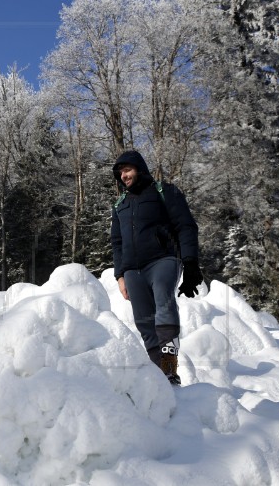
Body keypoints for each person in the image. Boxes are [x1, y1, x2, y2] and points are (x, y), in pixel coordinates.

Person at [110, 151, 203, 385]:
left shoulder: (165, 192)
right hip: (133, 270)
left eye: (127, 170)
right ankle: (160, 374)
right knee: (144, 322)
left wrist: (190, 262)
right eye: (120, 172)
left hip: (163, 259)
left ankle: (170, 368)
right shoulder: (120, 204)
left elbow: (186, 226)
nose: (124, 176)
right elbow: (117, 242)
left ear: (140, 168)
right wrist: (120, 275)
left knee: (164, 306)